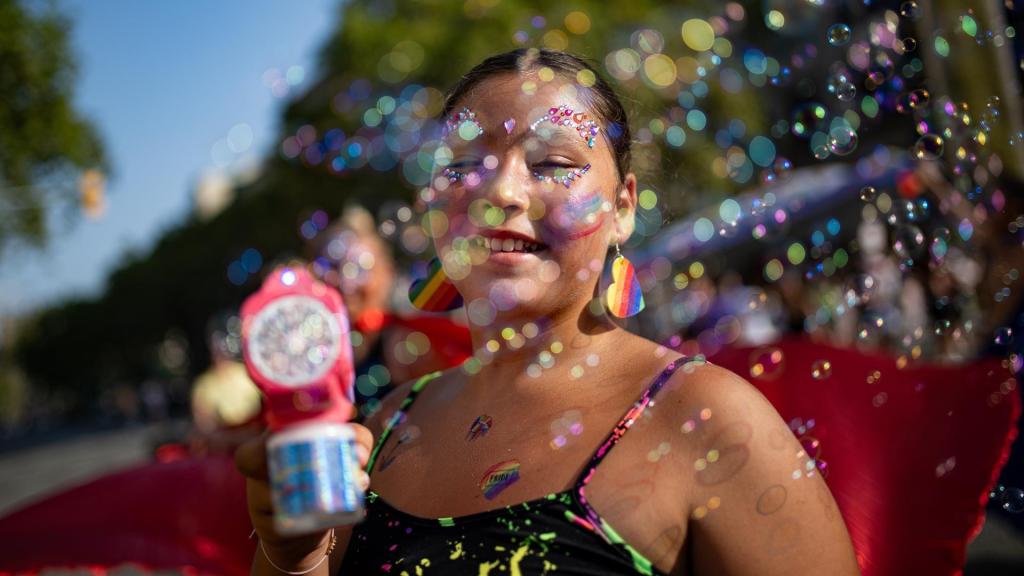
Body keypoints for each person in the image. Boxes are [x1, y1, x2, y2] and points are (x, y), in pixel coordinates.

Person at [236, 48, 860, 575]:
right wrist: (294, 552)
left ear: (622, 207)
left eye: (554, 164)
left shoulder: (705, 417)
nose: (500, 191)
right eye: (462, 163)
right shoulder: (388, 426)